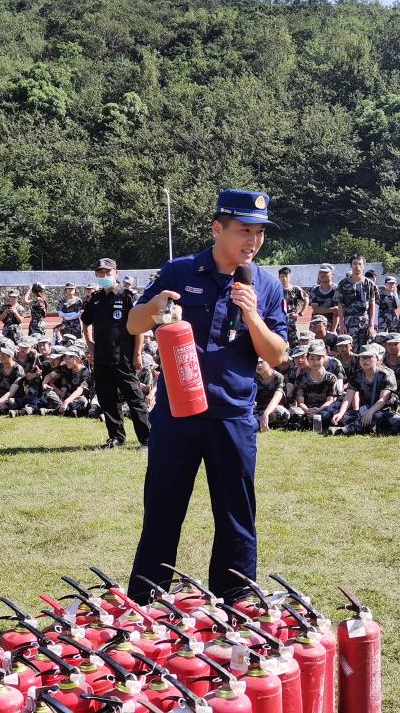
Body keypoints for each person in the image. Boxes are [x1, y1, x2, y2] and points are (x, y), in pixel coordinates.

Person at [126, 188, 287, 603]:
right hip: (177, 415)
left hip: (233, 415)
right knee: (162, 510)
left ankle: (235, 600)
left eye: (259, 233)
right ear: (218, 228)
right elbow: (133, 324)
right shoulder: (180, 271)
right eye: (244, 230)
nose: (253, 241)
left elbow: (277, 354)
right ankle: (146, 600)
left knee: (236, 515)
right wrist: (155, 307)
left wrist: (252, 315)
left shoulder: (265, 285)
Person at [81, 257, 151, 448]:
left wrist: (137, 354)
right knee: (108, 400)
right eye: (101, 272)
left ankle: (147, 439)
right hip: (101, 358)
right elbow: (85, 322)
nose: (104, 275)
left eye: (108, 272)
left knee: (135, 398)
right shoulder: (95, 299)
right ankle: (116, 437)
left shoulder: (127, 296)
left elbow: (140, 327)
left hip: (123, 358)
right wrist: (90, 344)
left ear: (116, 273)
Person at [329, 343, 397, 435]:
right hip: (365, 409)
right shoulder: (356, 375)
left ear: (377, 359)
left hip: (383, 409)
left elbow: (383, 399)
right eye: (362, 357)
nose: (365, 360)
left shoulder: (386, 374)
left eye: (369, 357)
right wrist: (341, 413)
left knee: (376, 416)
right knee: (340, 415)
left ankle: (342, 430)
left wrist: (370, 412)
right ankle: (368, 426)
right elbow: (348, 397)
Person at [337, 255, 377, 347]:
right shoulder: (343, 284)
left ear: (364, 266)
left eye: (360, 264)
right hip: (349, 322)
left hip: (365, 322)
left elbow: (372, 304)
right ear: (350, 266)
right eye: (354, 264)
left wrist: (371, 325)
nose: (357, 266)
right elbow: (340, 305)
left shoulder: (369, 284)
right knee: (350, 348)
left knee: (366, 349)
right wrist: (342, 324)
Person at [254, 357, 289, 431]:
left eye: (261, 362)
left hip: (272, 409)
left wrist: (266, 413)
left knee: (282, 413)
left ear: (270, 363)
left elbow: (277, 397)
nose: (258, 365)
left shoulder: (278, 377)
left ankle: (261, 423)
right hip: (258, 409)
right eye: (256, 362)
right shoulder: (254, 376)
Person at [278, 266, 309, 348]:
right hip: (279, 318)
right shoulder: (276, 289)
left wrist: (301, 312)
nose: (284, 278)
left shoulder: (295, 289)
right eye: (282, 276)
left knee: (293, 340)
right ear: (279, 277)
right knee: (279, 339)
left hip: (291, 318)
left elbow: (306, 299)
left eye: (286, 276)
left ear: (290, 276)